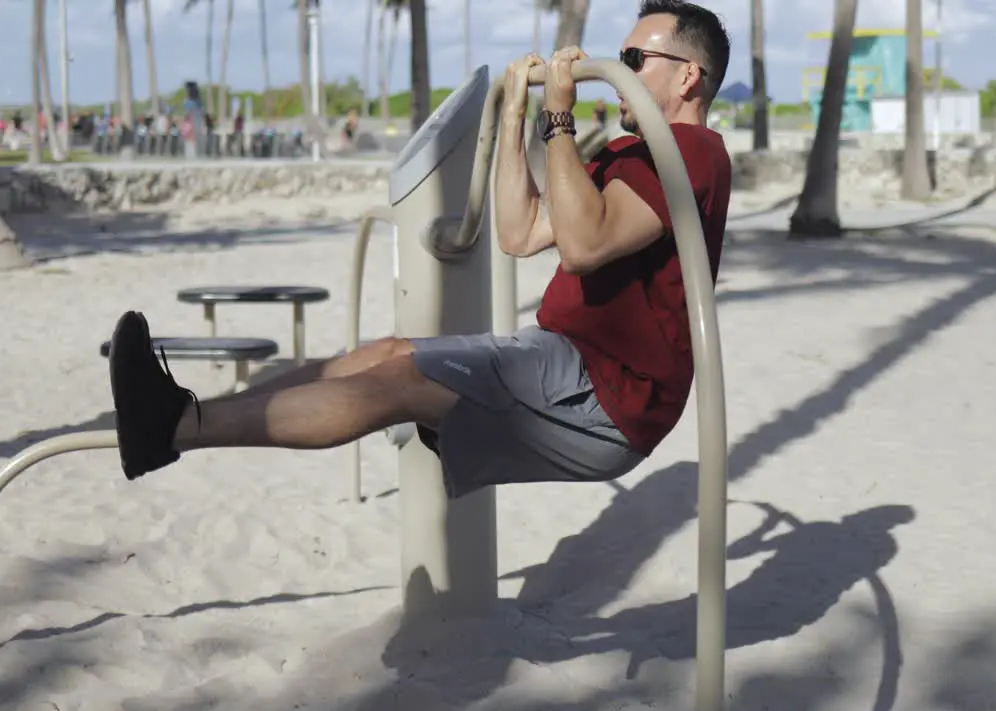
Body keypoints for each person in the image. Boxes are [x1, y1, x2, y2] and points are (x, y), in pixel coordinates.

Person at [105, 0, 733, 496]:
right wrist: (515, 120)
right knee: (384, 353)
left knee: (400, 382)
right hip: (558, 357)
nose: (617, 67)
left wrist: (561, 121)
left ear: (687, 75)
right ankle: (181, 415)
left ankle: (178, 429)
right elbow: (520, 233)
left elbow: (586, 246)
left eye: (633, 56)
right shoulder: (633, 153)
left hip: (608, 395)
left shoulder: (692, 152)